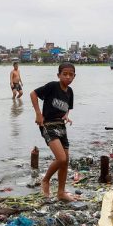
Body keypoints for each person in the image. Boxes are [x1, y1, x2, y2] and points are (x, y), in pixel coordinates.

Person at [30, 63, 78, 202]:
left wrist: (66, 115)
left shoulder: (70, 92)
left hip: (61, 125)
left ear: (74, 76)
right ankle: (45, 180)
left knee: (66, 160)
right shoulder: (52, 86)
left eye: (71, 74)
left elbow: (67, 108)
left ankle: (61, 193)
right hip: (48, 124)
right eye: (65, 74)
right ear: (58, 75)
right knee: (61, 158)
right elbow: (33, 94)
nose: (68, 77)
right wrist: (38, 114)